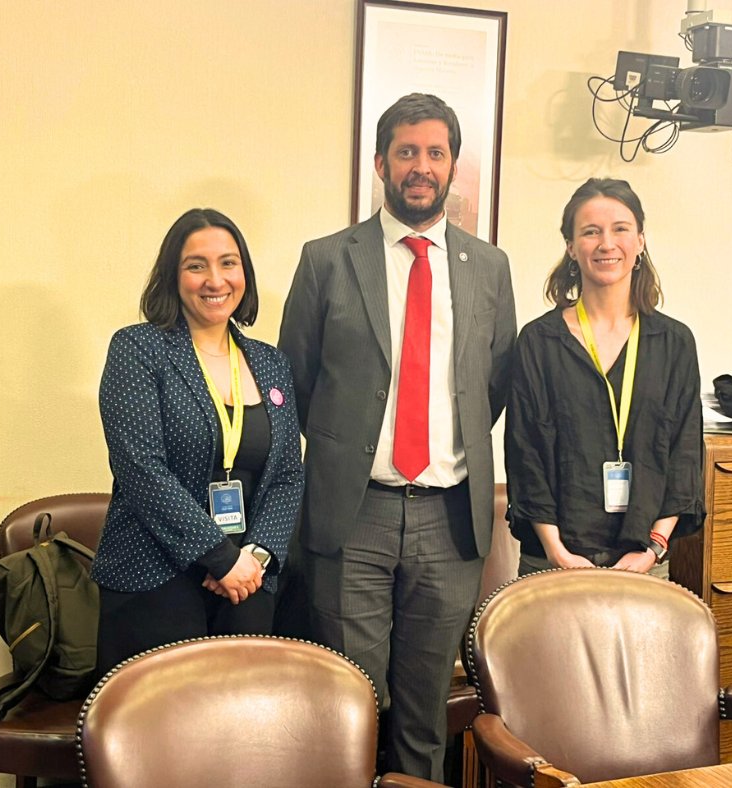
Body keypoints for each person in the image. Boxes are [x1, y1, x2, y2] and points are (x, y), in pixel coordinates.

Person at [278, 93, 515, 780]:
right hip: (355, 515)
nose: (421, 167)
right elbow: (293, 382)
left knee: (424, 712)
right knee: (350, 705)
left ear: (452, 167)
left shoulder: (488, 267)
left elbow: (492, 385)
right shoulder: (326, 261)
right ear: (380, 162)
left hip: (450, 519)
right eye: (407, 152)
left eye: (435, 153)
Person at [93, 208, 304, 675]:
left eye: (228, 263)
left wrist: (256, 557)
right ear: (174, 275)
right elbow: (141, 469)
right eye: (197, 265)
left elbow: (289, 474)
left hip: (248, 582)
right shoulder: (138, 349)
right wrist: (219, 557)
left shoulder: (271, 364)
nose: (215, 280)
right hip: (156, 575)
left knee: (241, 734)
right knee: (159, 738)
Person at [506, 178, 704, 580]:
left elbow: (684, 455)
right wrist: (556, 550)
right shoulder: (538, 342)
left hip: (642, 561)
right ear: (571, 247)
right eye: (590, 231)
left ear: (641, 241)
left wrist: (654, 548)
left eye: (620, 229)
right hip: (552, 562)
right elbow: (525, 454)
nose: (606, 243)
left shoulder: (674, 342)